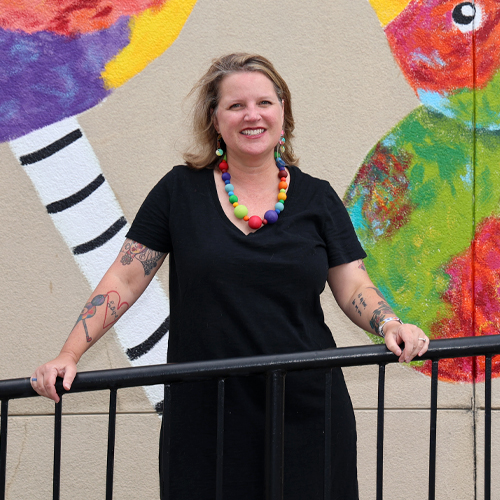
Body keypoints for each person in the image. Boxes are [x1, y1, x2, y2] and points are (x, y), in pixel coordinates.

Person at [31, 53, 429, 499]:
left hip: (307, 409)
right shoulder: (178, 191)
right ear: (215, 121)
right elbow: (124, 280)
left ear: (283, 114)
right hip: (206, 413)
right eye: (235, 105)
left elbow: (354, 283)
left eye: (264, 102)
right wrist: (69, 354)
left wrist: (390, 324)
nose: (252, 114)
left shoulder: (317, 198)